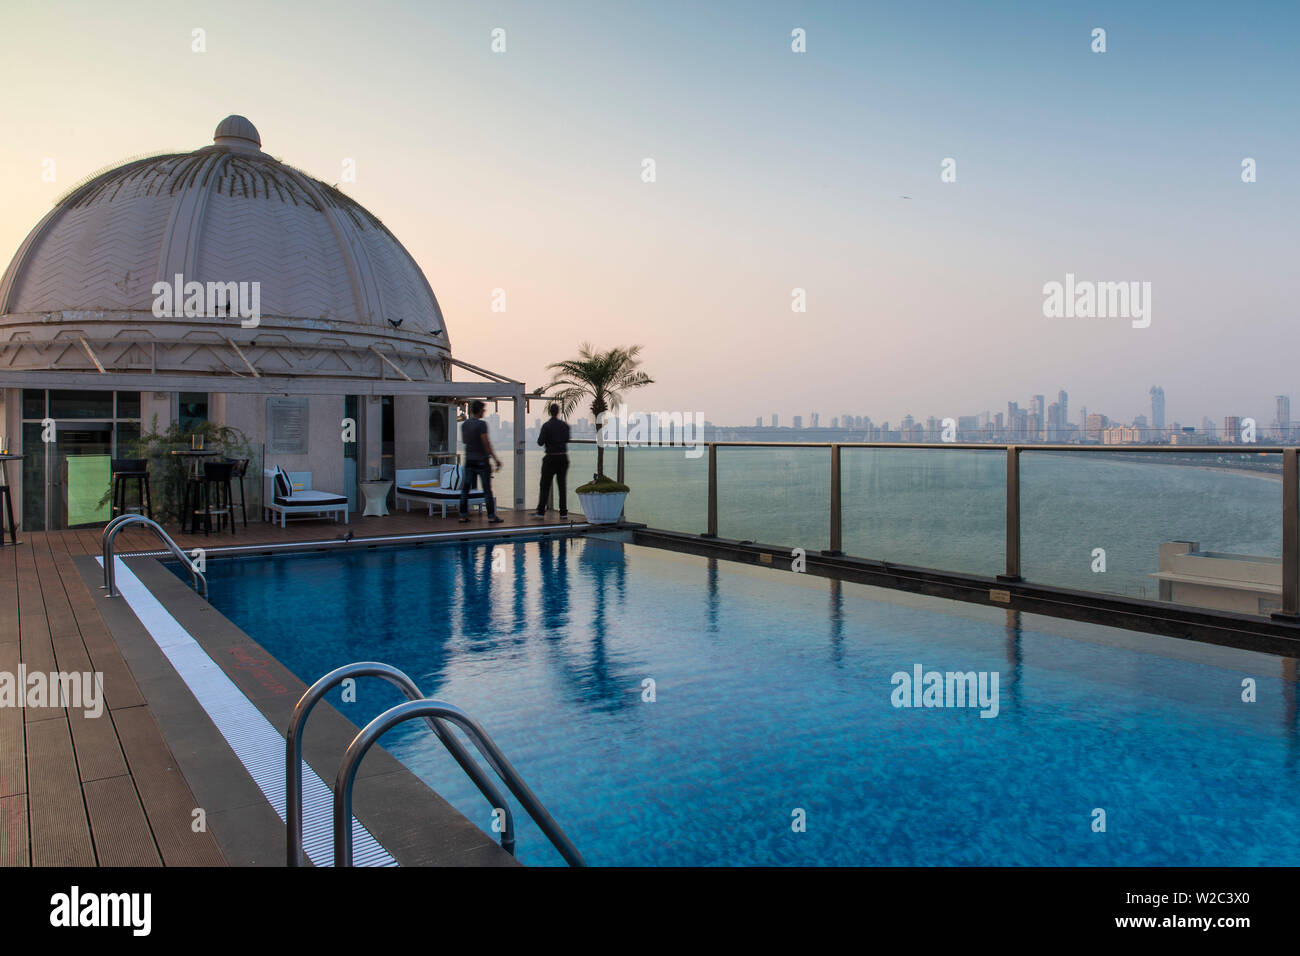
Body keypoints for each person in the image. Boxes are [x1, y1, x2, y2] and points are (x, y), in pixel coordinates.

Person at [459, 400, 503, 523]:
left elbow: (464, 440)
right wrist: (496, 459)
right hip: (482, 461)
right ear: (479, 411)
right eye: (483, 410)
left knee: (465, 489)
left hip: (469, 460)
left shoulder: (464, 424)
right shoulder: (482, 425)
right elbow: (486, 443)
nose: (484, 412)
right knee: (487, 490)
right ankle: (491, 516)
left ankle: (463, 515)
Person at [533, 403, 571, 519]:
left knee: (545, 484)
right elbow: (567, 439)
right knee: (562, 485)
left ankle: (540, 512)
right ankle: (563, 512)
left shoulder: (546, 426)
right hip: (563, 457)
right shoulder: (564, 426)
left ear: (550, 412)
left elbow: (540, 442)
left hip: (550, 457)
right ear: (558, 412)